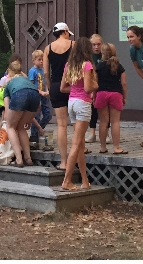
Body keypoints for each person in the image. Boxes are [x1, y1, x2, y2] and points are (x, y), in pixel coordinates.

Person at [60, 41, 97, 190]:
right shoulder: (87, 65)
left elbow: (63, 88)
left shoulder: (69, 65)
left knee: (81, 144)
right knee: (76, 144)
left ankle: (84, 180)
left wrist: (76, 89)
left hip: (72, 103)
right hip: (83, 104)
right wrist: (96, 85)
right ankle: (67, 181)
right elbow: (88, 87)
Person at [42, 23, 73, 169]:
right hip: (73, 86)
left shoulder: (48, 48)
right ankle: (79, 154)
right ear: (65, 32)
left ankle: (63, 161)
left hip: (55, 85)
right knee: (78, 123)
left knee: (61, 124)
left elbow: (46, 72)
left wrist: (49, 85)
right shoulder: (74, 44)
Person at [2, 68, 42, 167]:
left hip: (20, 94)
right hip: (35, 96)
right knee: (21, 128)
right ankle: (28, 159)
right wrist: (28, 120)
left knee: (10, 127)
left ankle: (19, 160)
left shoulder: (8, 85)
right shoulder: (27, 81)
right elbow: (39, 105)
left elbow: (7, 111)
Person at [94, 43, 128, 155]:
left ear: (102, 53)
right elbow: (123, 83)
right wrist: (124, 97)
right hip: (115, 94)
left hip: (102, 94)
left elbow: (95, 83)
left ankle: (103, 147)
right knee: (115, 122)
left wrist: (94, 96)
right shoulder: (119, 66)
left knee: (103, 122)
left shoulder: (98, 67)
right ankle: (116, 147)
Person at [27, 49, 52, 147]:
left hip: (44, 96)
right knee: (36, 116)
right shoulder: (32, 71)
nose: (41, 61)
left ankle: (39, 130)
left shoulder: (43, 70)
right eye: (39, 59)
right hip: (37, 96)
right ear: (34, 60)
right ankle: (34, 136)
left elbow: (46, 82)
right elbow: (32, 85)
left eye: (42, 59)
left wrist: (46, 91)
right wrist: (40, 92)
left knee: (48, 115)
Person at [86, 34, 104, 144]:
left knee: (104, 111)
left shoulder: (105, 55)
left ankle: (105, 133)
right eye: (94, 45)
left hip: (104, 86)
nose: (96, 47)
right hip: (93, 85)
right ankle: (92, 132)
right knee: (92, 110)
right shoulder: (88, 57)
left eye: (98, 44)